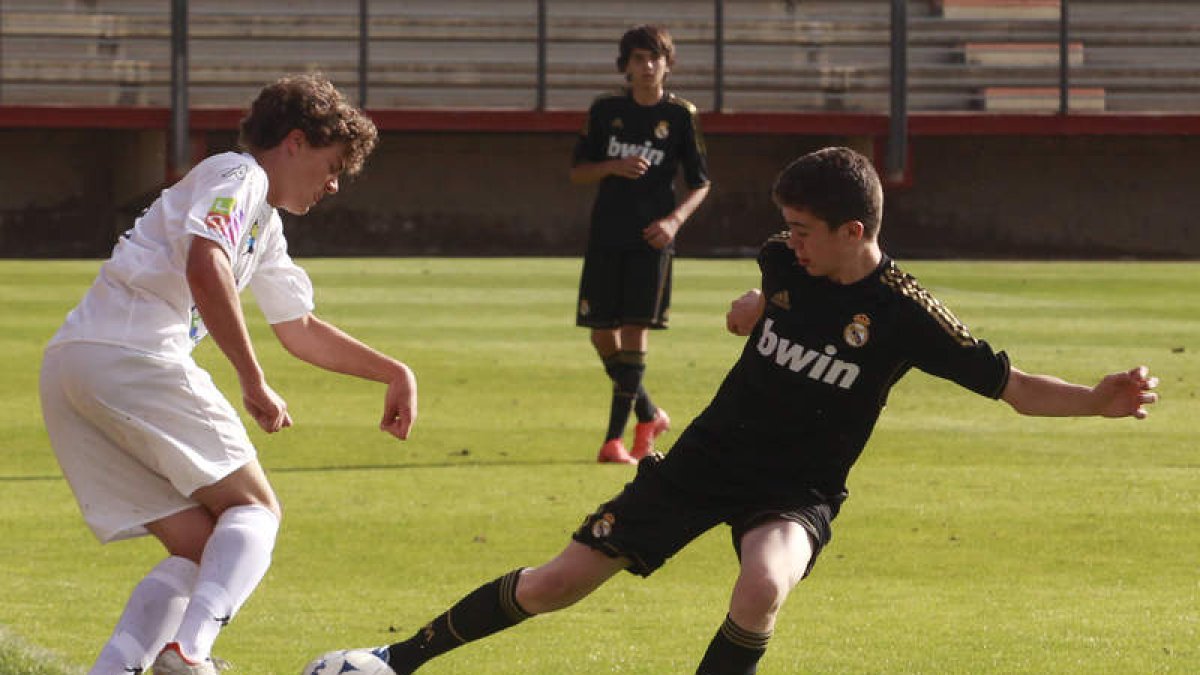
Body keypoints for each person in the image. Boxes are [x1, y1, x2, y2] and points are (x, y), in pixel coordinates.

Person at [310, 146, 1158, 675]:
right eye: (784, 227)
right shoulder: (785, 261)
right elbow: (766, 299)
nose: (788, 237)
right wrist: (754, 304)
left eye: (803, 227)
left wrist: (1095, 400)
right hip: (704, 463)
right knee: (560, 582)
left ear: (856, 230)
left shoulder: (906, 314)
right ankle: (393, 659)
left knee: (762, 585)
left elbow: (1008, 385)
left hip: (797, 489)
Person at [39, 73, 417, 675]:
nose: (335, 183)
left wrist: (391, 371)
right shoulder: (238, 176)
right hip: (133, 355)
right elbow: (205, 261)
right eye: (333, 163)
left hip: (75, 366)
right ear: (295, 142)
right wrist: (251, 379)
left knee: (204, 546)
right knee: (256, 510)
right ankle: (190, 654)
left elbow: (299, 327)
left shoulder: (263, 222)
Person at [570, 24, 712, 464]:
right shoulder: (604, 110)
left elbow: (701, 183)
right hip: (607, 235)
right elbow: (577, 171)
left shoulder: (681, 116)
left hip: (652, 240)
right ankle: (648, 413)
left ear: (668, 64)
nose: (647, 66)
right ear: (626, 66)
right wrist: (612, 165)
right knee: (600, 334)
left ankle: (614, 439)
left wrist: (674, 221)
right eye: (638, 58)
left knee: (633, 330)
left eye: (655, 58)